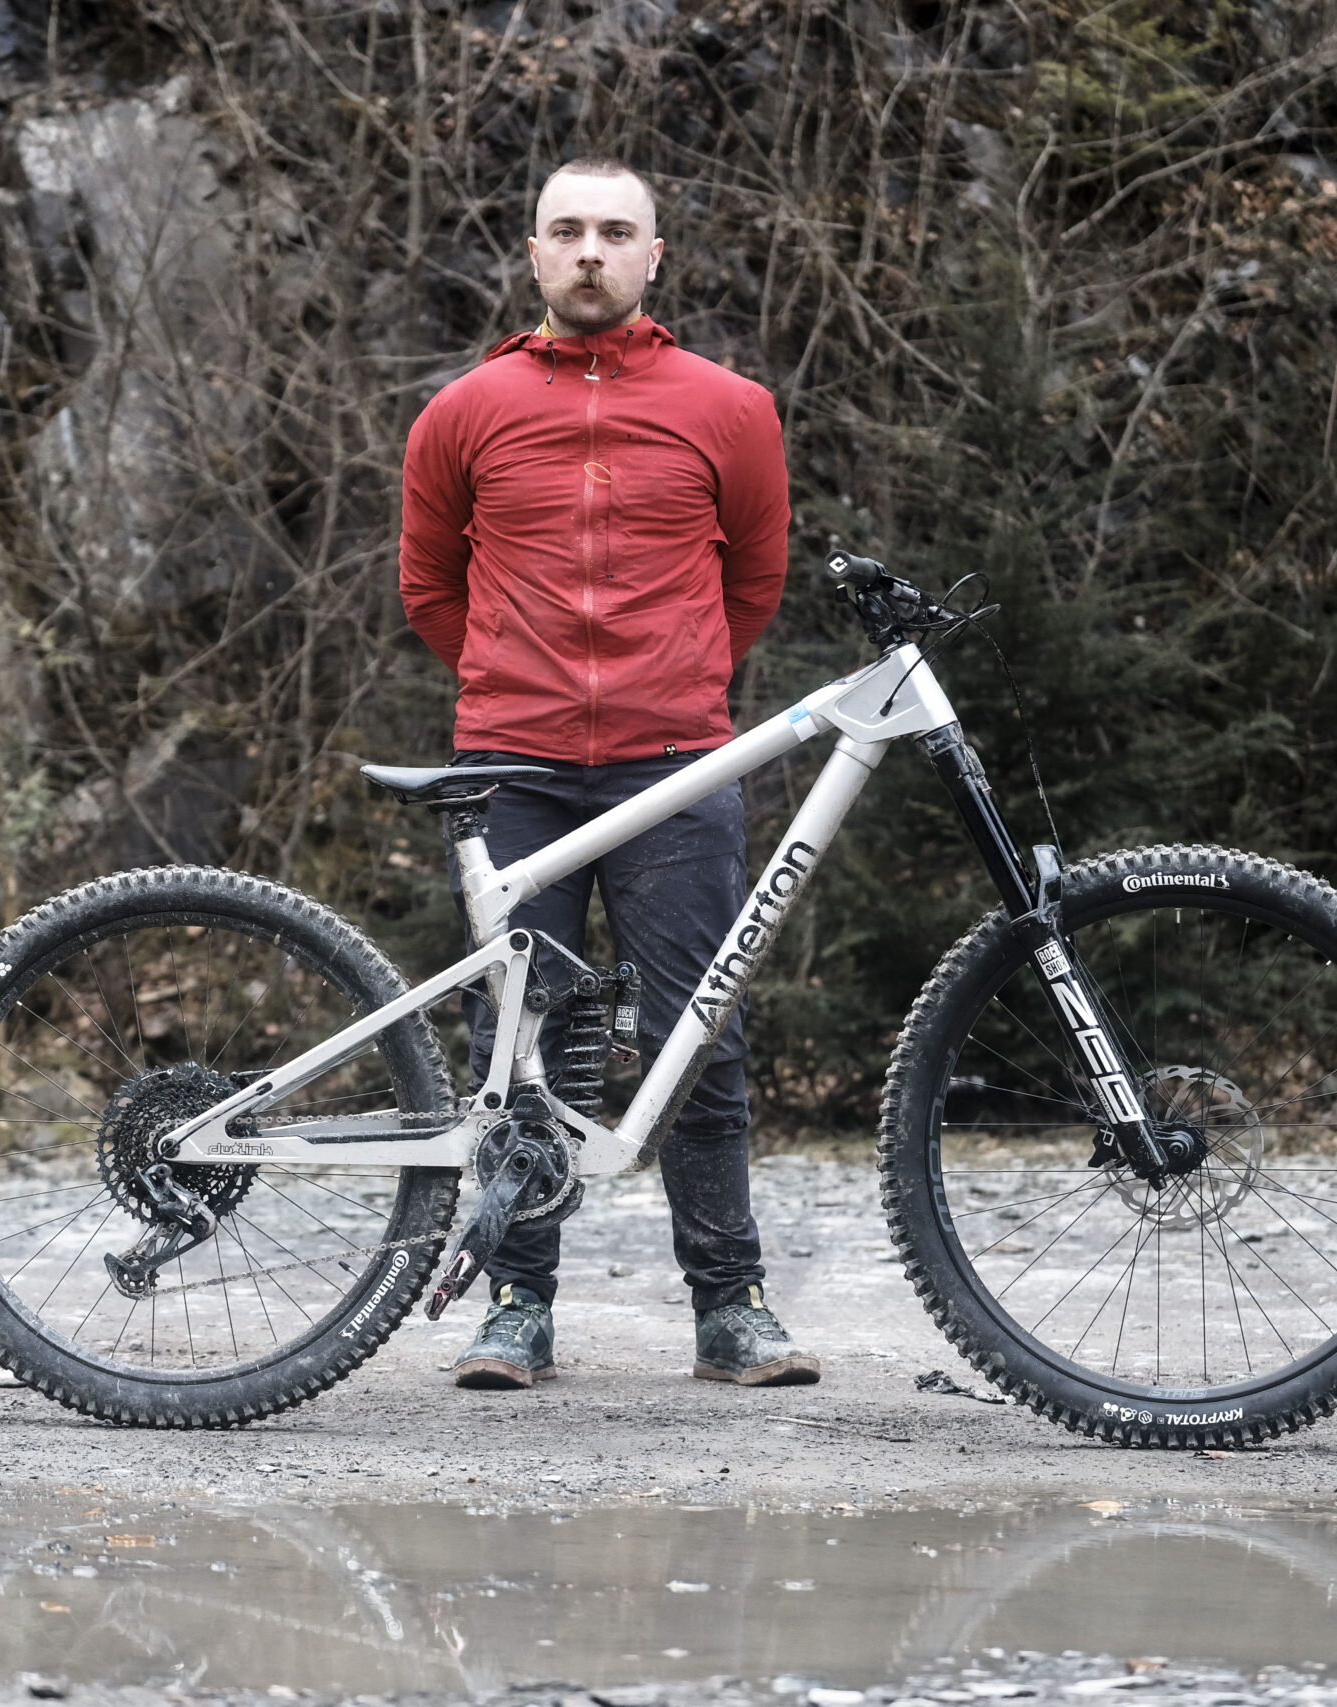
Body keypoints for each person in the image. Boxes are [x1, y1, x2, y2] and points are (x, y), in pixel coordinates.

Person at [397, 157, 819, 1392]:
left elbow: (754, 583)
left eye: (615, 232)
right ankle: (514, 1307)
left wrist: (666, 687)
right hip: (511, 771)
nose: (591, 250)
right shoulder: (461, 411)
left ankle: (731, 1308)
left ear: (653, 256)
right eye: (568, 230)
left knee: (700, 1037)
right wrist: (516, 682)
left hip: (675, 768)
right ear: (533, 252)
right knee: (513, 1045)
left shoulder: (729, 408)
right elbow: (429, 588)